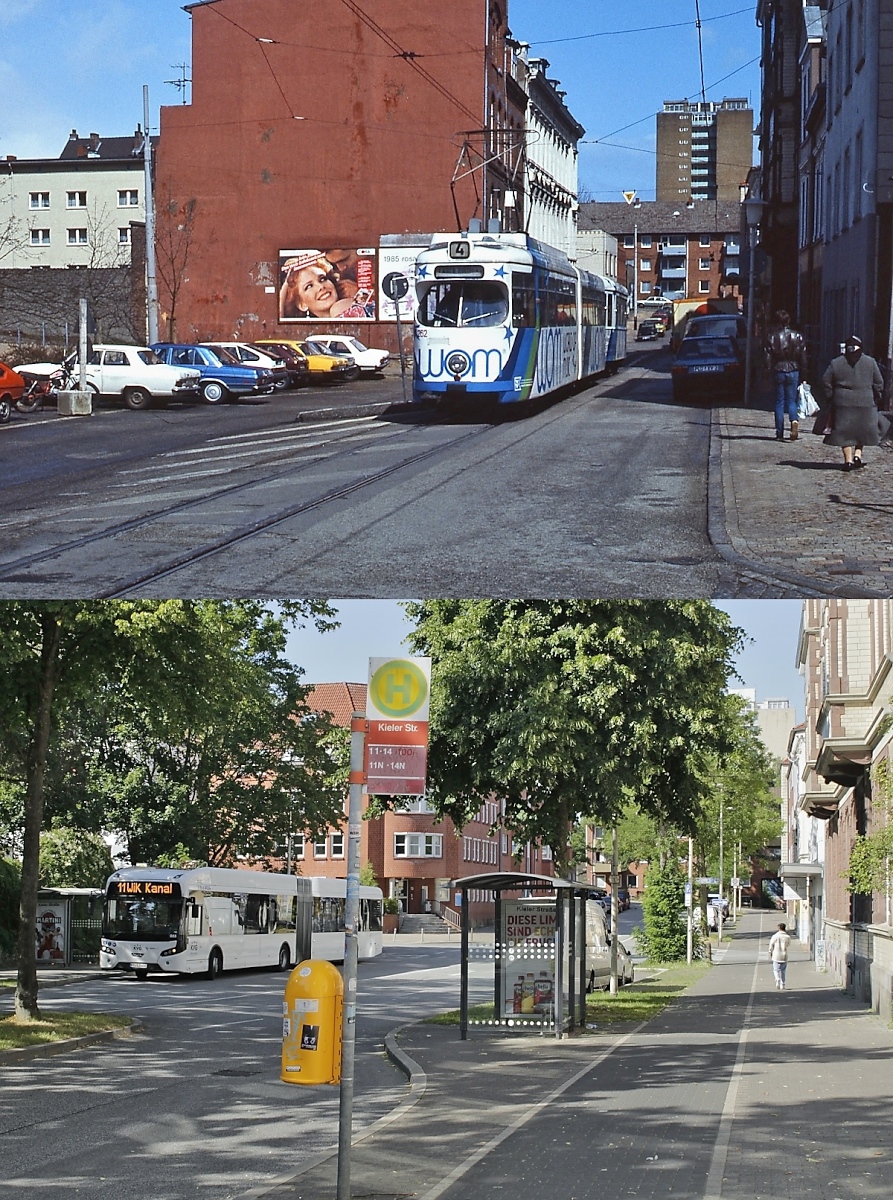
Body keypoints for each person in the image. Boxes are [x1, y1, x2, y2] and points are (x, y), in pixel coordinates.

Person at [821, 335, 886, 471]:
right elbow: (879, 382)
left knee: (844, 433)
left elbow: (826, 380)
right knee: (861, 431)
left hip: (842, 403)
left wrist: (831, 395)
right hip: (865, 402)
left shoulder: (836, 362)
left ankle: (848, 461)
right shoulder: (870, 362)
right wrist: (876, 397)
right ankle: (857, 455)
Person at [279, 251, 370, 319]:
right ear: (302, 304)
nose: (321, 286)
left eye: (322, 279)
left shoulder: (339, 308)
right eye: (309, 286)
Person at [764, 309, 808, 442]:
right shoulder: (798, 336)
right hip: (794, 369)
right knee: (791, 400)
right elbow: (803, 356)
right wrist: (804, 374)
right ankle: (794, 420)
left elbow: (767, 357)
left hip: (779, 369)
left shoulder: (772, 337)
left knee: (779, 402)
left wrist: (767, 372)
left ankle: (779, 432)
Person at [768, 922, 791, 990]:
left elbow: (771, 945)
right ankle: (783, 984)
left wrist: (770, 951)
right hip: (784, 955)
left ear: (778, 928)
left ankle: (777, 978)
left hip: (776, 954)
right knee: (783, 971)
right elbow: (788, 944)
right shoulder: (787, 937)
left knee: (776, 970)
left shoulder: (775, 936)